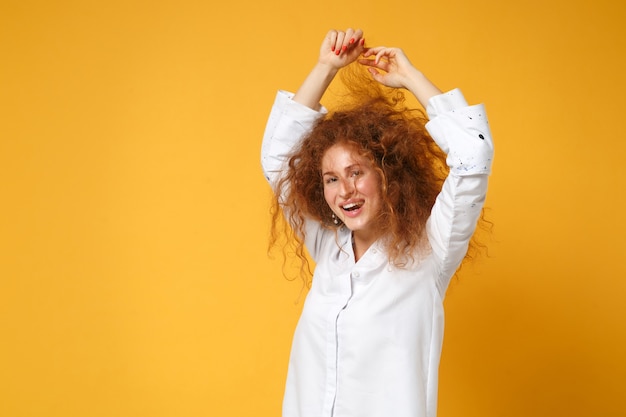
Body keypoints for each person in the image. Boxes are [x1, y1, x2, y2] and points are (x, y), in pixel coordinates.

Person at [261, 28, 493, 417]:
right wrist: (326, 66)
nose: (345, 190)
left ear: (389, 174)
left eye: (357, 172)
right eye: (331, 178)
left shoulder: (430, 253)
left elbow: (473, 155)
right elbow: (278, 162)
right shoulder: (327, 246)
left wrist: (410, 76)